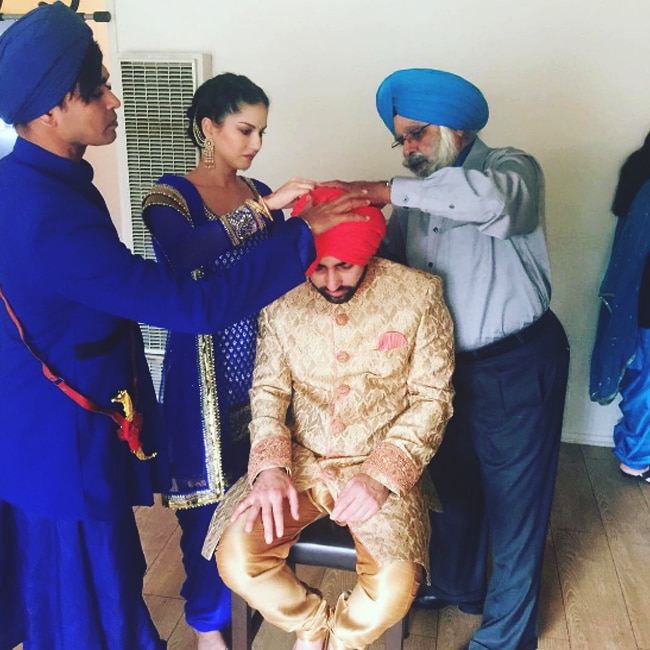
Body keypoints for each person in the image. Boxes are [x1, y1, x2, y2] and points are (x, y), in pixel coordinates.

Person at [0, 5, 367, 649]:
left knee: (103, 578)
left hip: (71, 421)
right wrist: (302, 234)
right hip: (62, 443)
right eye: (99, 89)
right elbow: (191, 300)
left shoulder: (40, 183)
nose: (115, 101)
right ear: (54, 108)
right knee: (85, 599)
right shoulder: (54, 208)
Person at [337, 68, 570, 650]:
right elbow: (388, 266)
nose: (407, 150)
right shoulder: (417, 196)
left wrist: (385, 190)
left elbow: (494, 204)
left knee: (515, 505)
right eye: (401, 140)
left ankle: (507, 636)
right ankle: (459, 585)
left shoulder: (511, 168)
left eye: (415, 134)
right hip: (440, 371)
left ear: (455, 127)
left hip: (516, 363)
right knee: (453, 486)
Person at [201, 186, 455, 650]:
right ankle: (313, 625)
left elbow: (432, 399)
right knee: (236, 556)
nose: (332, 282)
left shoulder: (418, 294)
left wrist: (380, 476)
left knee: (394, 589)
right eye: (319, 268)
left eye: (346, 266)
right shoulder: (283, 296)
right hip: (298, 462)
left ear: (369, 253)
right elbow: (269, 391)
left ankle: (337, 642)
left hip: (379, 465)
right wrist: (269, 469)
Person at [141, 72, 321, 650]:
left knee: (257, 499)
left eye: (262, 132)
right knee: (204, 510)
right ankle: (207, 629)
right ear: (209, 127)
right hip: (203, 376)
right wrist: (268, 210)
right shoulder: (168, 198)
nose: (256, 144)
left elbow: (280, 270)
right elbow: (187, 252)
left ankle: (250, 600)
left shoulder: (257, 190)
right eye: (245, 130)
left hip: (264, 373)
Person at [590, 131, 650, 482]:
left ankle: (636, 454)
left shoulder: (639, 168)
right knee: (645, 384)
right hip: (643, 301)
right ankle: (637, 458)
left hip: (636, 301)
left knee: (641, 380)